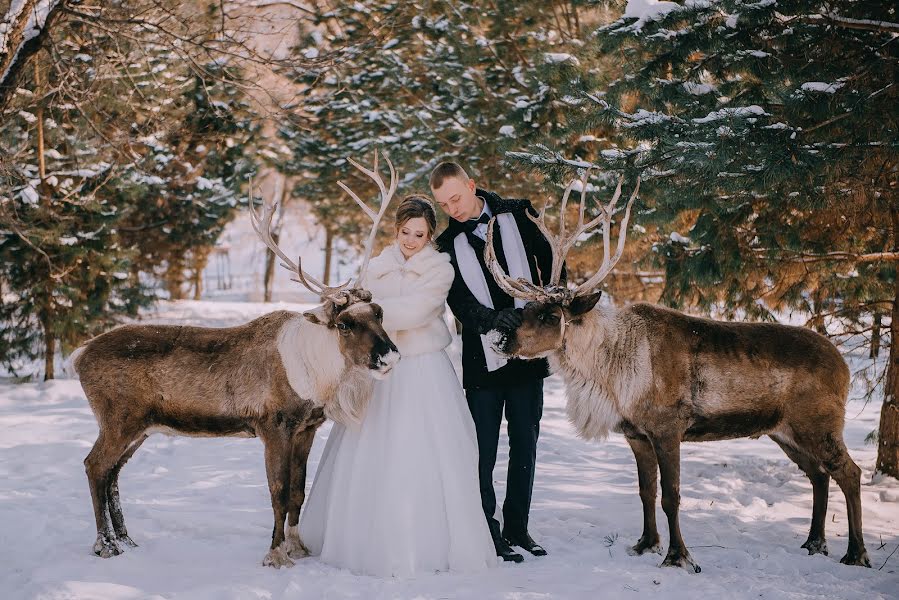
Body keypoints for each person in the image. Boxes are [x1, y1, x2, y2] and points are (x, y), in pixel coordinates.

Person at [299, 195, 497, 577]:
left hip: (422, 368)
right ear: (396, 230)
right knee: (370, 447)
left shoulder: (440, 268)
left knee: (424, 450)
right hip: (378, 371)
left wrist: (366, 316)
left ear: (430, 234)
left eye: (419, 234)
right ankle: (360, 537)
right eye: (405, 232)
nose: (411, 240)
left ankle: (429, 542)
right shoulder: (376, 266)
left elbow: (420, 310)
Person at [431, 162, 562, 563]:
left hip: (526, 352)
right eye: (443, 203)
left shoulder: (517, 215)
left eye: (456, 197)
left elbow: (553, 260)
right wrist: (489, 319)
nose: (451, 208)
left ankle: (517, 527)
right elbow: (458, 300)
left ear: (472, 186)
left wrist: (546, 308)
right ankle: (487, 529)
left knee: (526, 442)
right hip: (481, 359)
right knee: (482, 450)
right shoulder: (445, 246)